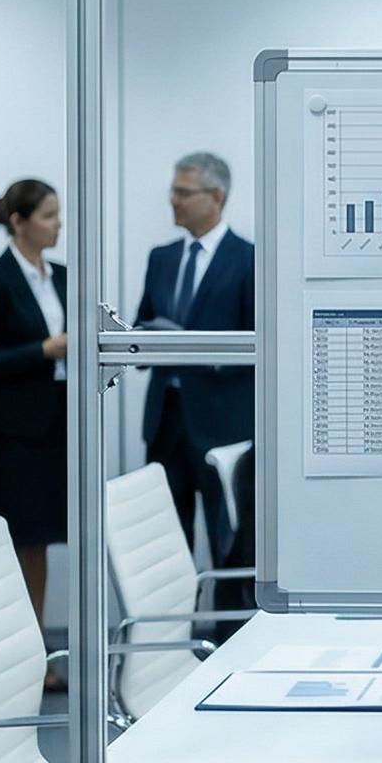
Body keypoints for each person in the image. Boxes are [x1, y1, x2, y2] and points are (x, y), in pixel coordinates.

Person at [135, 152, 255, 608]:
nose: (174, 201)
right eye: (174, 191)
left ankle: (228, 640)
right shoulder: (161, 258)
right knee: (167, 544)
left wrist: (194, 345)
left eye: (184, 193)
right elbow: (146, 321)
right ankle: (172, 646)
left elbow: (258, 344)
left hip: (223, 424)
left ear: (217, 196)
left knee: (230, 541)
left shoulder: (248, 259)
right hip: (165, 420)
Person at [0, 179, 69, 683]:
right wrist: (44, 351)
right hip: (13, 432)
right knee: (15, 542)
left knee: (43, 541)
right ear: (19, 222)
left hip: (57, 427)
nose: (57, 225)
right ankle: (13, 658)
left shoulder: (67, 277)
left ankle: (38, 654)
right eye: (49, 215)